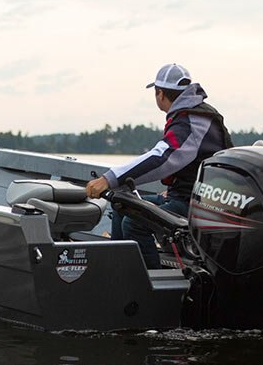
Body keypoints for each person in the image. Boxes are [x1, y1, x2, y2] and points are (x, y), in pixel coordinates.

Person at [85, 63, 232, 267]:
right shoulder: (194, 115)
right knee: (122, 206)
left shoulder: (191, 122)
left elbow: (162, 157)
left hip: (197, 204)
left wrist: (109, 179)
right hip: (185, 195)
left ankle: (150, 282)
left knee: (134, 224)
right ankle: (118, 270)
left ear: (160, 93)